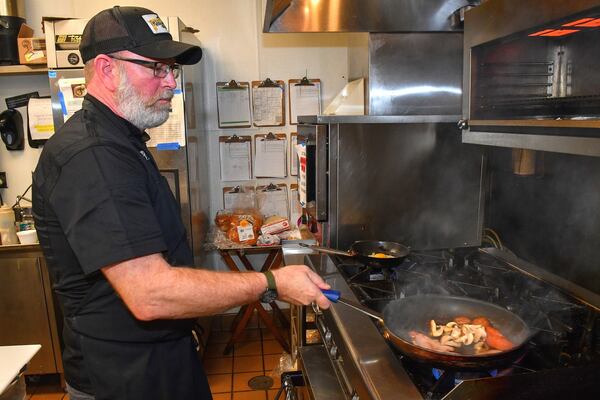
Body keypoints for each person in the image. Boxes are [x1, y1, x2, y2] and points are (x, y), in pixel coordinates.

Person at [32, 6, 331, 400]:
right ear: (106, 69)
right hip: (124, 380)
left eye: (172, 69)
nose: (171, 82)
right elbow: (149, 293)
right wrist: (271, 280)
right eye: (157, 68)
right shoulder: (93, 155)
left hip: (155, 365)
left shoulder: (123, 141)